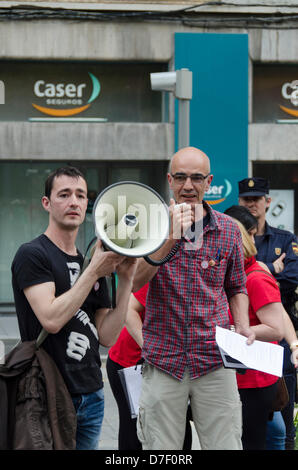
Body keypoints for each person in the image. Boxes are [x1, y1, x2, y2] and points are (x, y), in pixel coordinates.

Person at [132, 146, 255, 450]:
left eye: (197, 178)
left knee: (225, 445)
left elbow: (237, 286)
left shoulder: (228, 229)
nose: (188, 186)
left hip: (214, 360)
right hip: (164, 361)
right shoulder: (150, 225)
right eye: (181, 177)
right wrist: (172, 235)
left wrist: (242, 325)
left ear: (209, 181)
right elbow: (135, 281)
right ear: (169, 180)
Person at [11, 167, 137, 450]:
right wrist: (93, 272)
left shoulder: (89, 259)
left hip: (91, 393)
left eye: (80, 195)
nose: (74, 202)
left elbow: (107, 335)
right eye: (64, 195)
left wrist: (126, 279)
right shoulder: (33, 254)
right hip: (48, 392)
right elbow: (52, 319)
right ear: (47, 203)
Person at [224, 205, 298, 449]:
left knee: (257, 439)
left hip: (253, 378)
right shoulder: (235, 274)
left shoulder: (255, 277)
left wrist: (238, 333)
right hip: (240, 376)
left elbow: (276, 324)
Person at [106, 283, 193, 450]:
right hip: (131, 361)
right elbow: (128, 312)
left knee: (178, 426)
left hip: (172, 363)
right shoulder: (164, 273)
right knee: (136, 428)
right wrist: (150, 351)